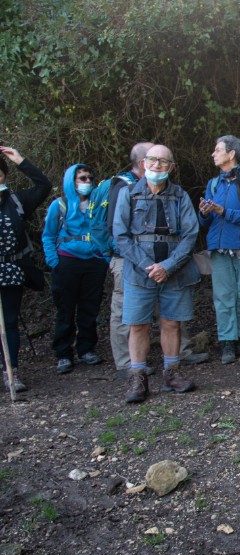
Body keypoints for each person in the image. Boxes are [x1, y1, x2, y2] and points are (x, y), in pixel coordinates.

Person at [107, 142, 208, 378]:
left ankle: (172, 375)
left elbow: (190, 235)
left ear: (171, 167)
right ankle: (137, 379)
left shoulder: (180, 196)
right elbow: (120, 235)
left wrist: (168, 266)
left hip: (175, 272)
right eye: (153, 160)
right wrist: (148, 266)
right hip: (138, 273)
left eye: (163, 161)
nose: (157, 165)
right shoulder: (127, 194)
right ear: (143, 163)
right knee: (138, 325)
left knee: (171, 323)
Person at [199, 135, 240, 365]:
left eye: (218, 150)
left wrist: (223, 211)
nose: (213, 154)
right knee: (223, 296)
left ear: (231, 154)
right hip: (219, 247)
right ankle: (227, 342)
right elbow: (206, 222)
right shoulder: (213, 183)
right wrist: (204, 213)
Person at [42, 163, 111, 375]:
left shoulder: (98, 204)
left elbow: (107, 231)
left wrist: (106, 257)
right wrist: (54, 261)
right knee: (65, 309)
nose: (87, 182)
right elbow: (48, 235)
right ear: (71, 182)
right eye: (82, 178)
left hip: (95, 261)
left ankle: (86, 349)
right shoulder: (60, 205)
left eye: (90, 178)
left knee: (90, 308)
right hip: (67, 262)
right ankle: (63, 354)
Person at [0, 146, 52, 392]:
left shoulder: (17, 202)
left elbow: (44, 186)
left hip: (10, 270)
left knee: (9, 321)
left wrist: (20, 160)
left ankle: (11, 371)